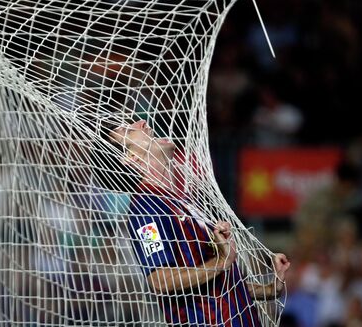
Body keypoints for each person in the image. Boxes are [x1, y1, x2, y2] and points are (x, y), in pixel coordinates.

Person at [109, 119, 290, 327]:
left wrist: (268, 289)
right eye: (127, 130)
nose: (142, 122)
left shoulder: (182, 199)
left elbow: (216, 285)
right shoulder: (146, 208)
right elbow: (159, 280)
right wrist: (221, 262)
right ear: (129, 158)